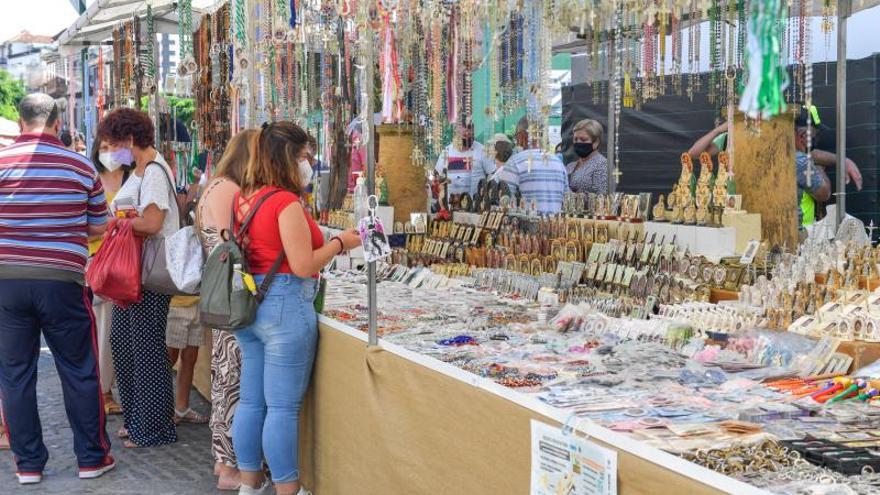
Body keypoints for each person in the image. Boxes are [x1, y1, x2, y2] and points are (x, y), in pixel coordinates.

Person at [233, 122, 361, 495]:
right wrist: (341, 243)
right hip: (285, 306)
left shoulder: (245, 196)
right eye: (306, 155)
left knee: (253, 401)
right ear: (290, 156)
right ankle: (288, 489)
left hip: (250, 304)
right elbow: (303, 264)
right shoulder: (284, 202)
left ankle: (250, 484)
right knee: (282, 408)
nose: (309, 163)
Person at [0, 93, 115, 484]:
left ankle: (28, 465)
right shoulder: (80, 165)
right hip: (62, 281)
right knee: (79, 368)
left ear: (20, 122)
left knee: (15, 374)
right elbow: (100, 224)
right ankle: (91, 458)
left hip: (7, 283)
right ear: (57, 123)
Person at [97, 108, 179, 448]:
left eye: (114, 142)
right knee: (124, 343)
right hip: (133, 271)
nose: (111, 150)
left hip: (149, 273)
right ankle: (138, 419)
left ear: (129, 139)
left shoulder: (155, 171)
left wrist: (120, 223)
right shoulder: (140, 170)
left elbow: (152, 223)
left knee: (145, 349)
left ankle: (154, 427)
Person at [196, 129, 257, 491]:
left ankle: (223, 460)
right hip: (231, 297)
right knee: (232, 380)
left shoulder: (214, 187)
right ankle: (231, 465)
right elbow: (234, 244)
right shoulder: (230, 191)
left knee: (224, 379)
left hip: (220, 295)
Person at [89, 136, 130, 417]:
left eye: (113, 147)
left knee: (122, 332)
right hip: (98, 262)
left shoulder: (134, 176)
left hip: (129, 263)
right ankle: (102, 391)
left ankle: (114, 387)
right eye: (102, 148)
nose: (108, 153)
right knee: (103, 330)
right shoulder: (92, 178)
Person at [498, 116, 569, 214]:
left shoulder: (515, 162)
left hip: (527, 226)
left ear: (522, 135)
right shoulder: (558, 163)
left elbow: (504, 201)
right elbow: (567, 200)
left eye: (516, 136)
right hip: (556, 226)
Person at [434, 123, 495, 198]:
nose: (467, 131)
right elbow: (438, 177)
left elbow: (492, 174)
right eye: (463, 127)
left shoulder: (482, 150)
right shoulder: (447, 151)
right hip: (451, 204)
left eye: (469, 128)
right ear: (456, 130)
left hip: (475, 205)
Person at [566, 119, 608, 195]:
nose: (578, 142)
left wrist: (572, 196)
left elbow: (602, 197)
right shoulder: (570, 166)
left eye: (583, 139)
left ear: (596, 142)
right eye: (575, 139)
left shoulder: (603, 165)